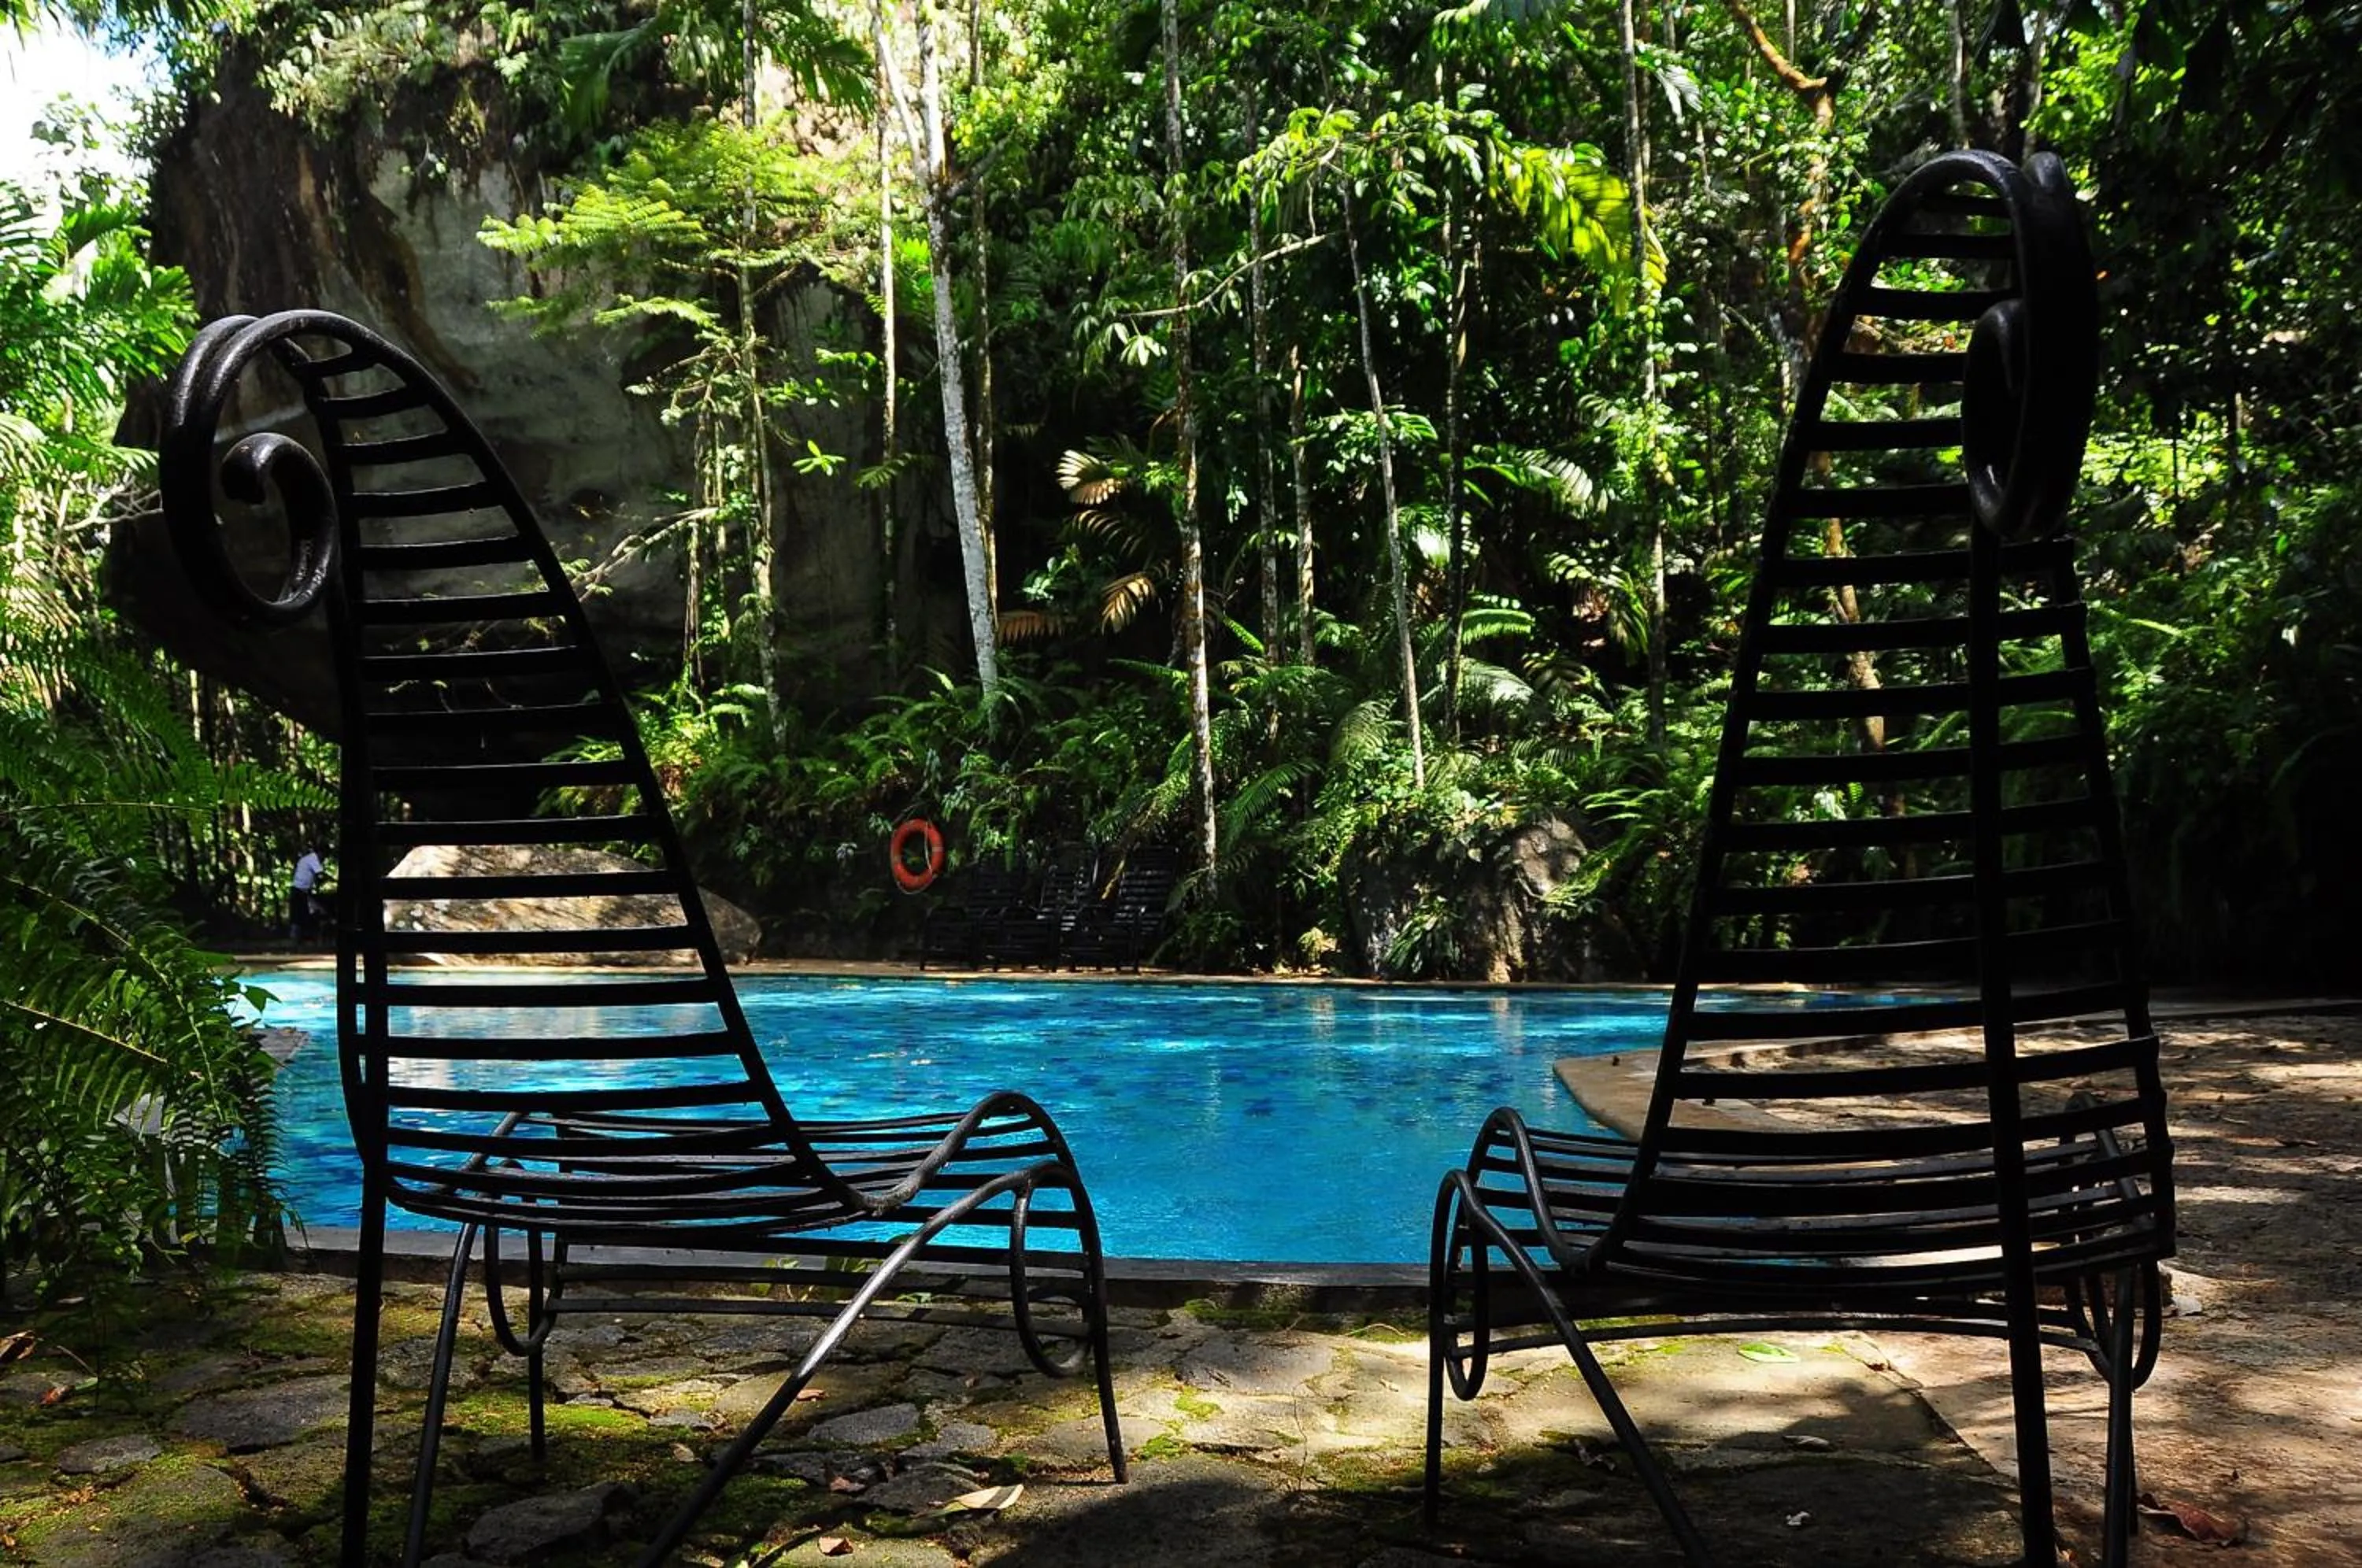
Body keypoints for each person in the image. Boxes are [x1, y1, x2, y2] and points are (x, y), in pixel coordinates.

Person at [290, 846, 328, 942]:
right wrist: (332, 879)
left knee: (298, 915)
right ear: (320, 853)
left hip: (300, 890)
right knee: (302, 914)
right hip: (300, 891)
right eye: (324, 856)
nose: (323, 859)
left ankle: (298, 938)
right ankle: (298, 938)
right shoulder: (313, 859)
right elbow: (320, 874)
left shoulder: (306, 859)